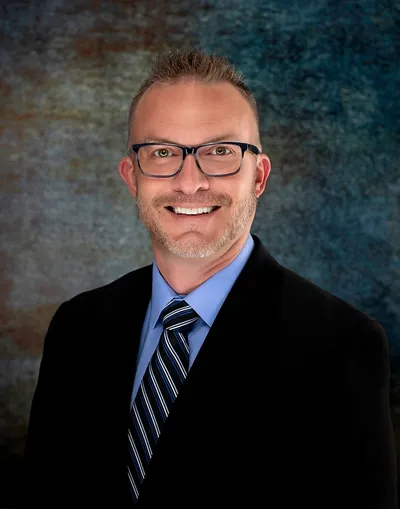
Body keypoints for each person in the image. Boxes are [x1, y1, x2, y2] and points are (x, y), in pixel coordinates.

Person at [23, 49, 397, 508]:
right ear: (132, 177)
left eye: (220, 152)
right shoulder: (76, 327)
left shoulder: (342, 345)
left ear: (258, 176)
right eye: (162, 153)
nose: (190, 181)